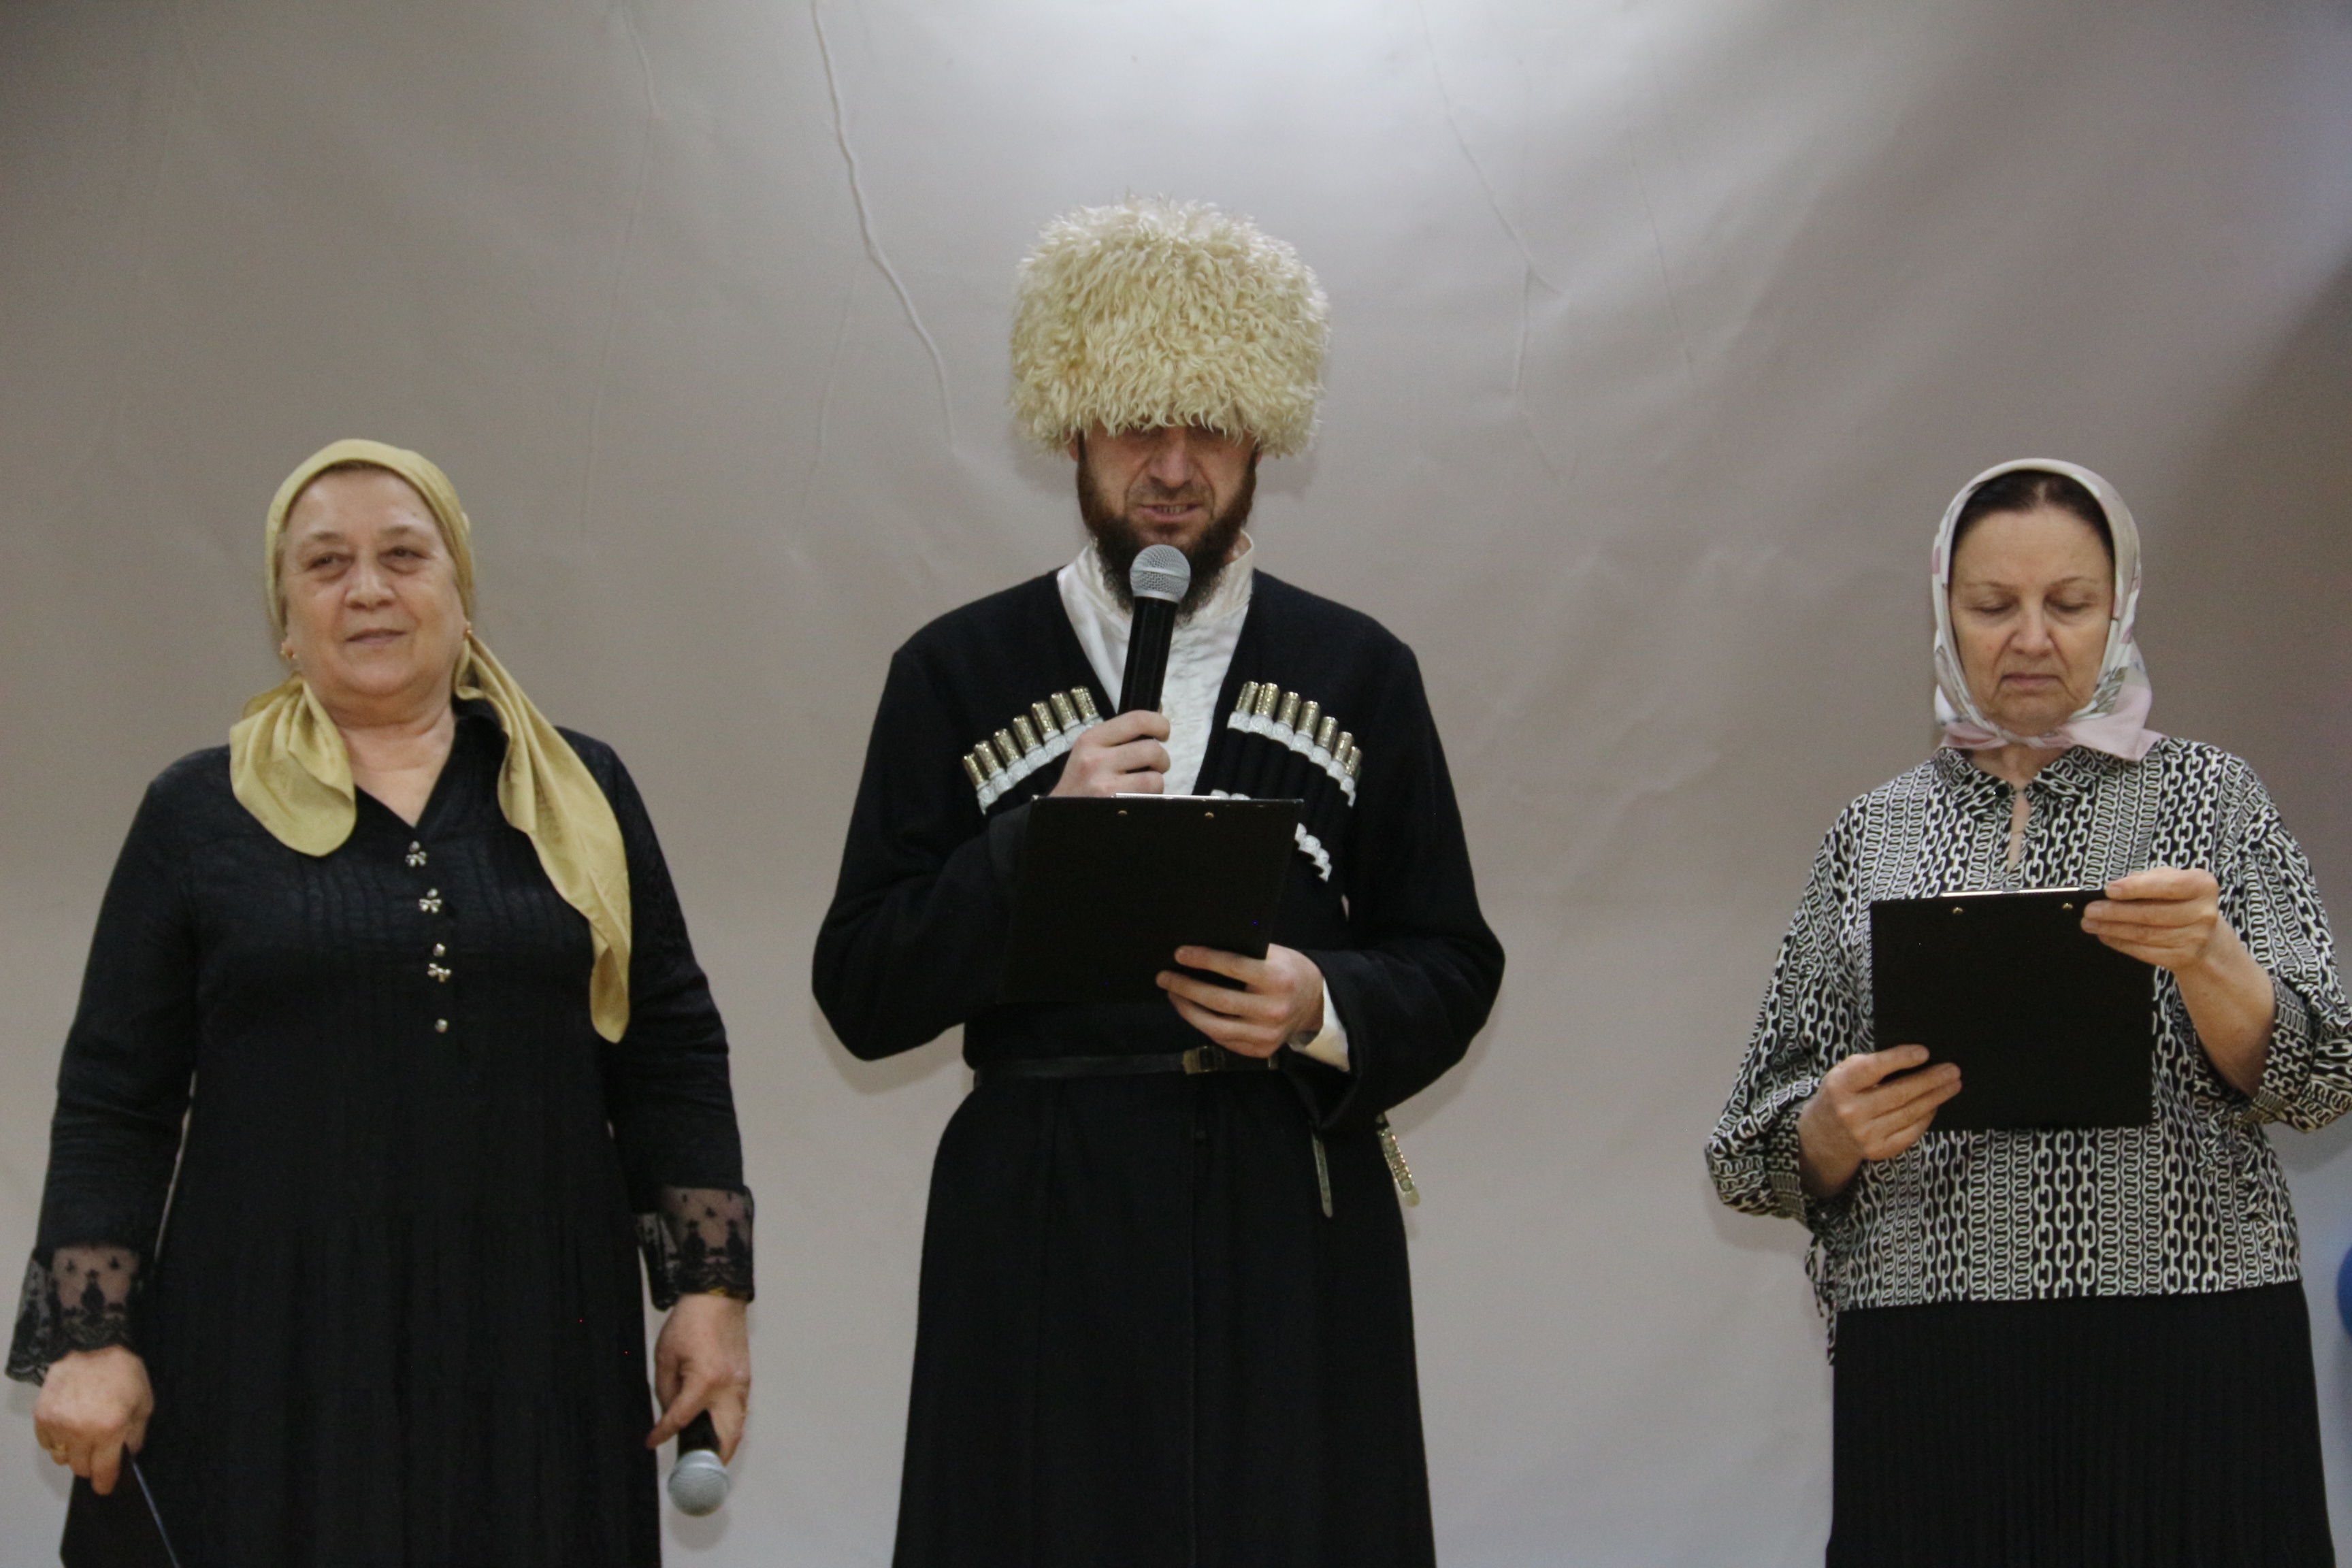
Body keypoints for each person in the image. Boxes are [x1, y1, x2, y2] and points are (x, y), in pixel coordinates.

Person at [813, 198, 1504, 1567]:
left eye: (1214, 430)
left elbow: (1451, 958)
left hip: (1285, 1207)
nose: (1174, 470)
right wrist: (1027, 846)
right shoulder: (956, 671)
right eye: (1138, 425)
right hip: (1041, 1213)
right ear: (1074, 427)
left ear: (1265, 440)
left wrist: (1320, 1007)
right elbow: (864, 988)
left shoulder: (1361, 671)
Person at [11, 440, 755, 1567]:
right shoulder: (197, 813)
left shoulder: (580, 792)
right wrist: (90, 1339)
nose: (367, 589)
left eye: (404, 556)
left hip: (534, 1339)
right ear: (284, 617)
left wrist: (709, 1294)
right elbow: (117, 1097)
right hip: (270, 1347)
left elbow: (672, 1053)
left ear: (461, 593)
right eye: (326, 564)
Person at [1708, 459, 2350, 1566]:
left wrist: (2211, 961)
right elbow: (1746, 1149)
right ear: (1944, 611)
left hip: (2193, 1337)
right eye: (1993, 604)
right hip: (1930, 1347)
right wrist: (1829, 1133)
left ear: (2122, 610)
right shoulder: (1872, 833)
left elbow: (2328, 1074)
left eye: (2071, 603)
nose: (2032, 638)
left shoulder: (2215, 799)